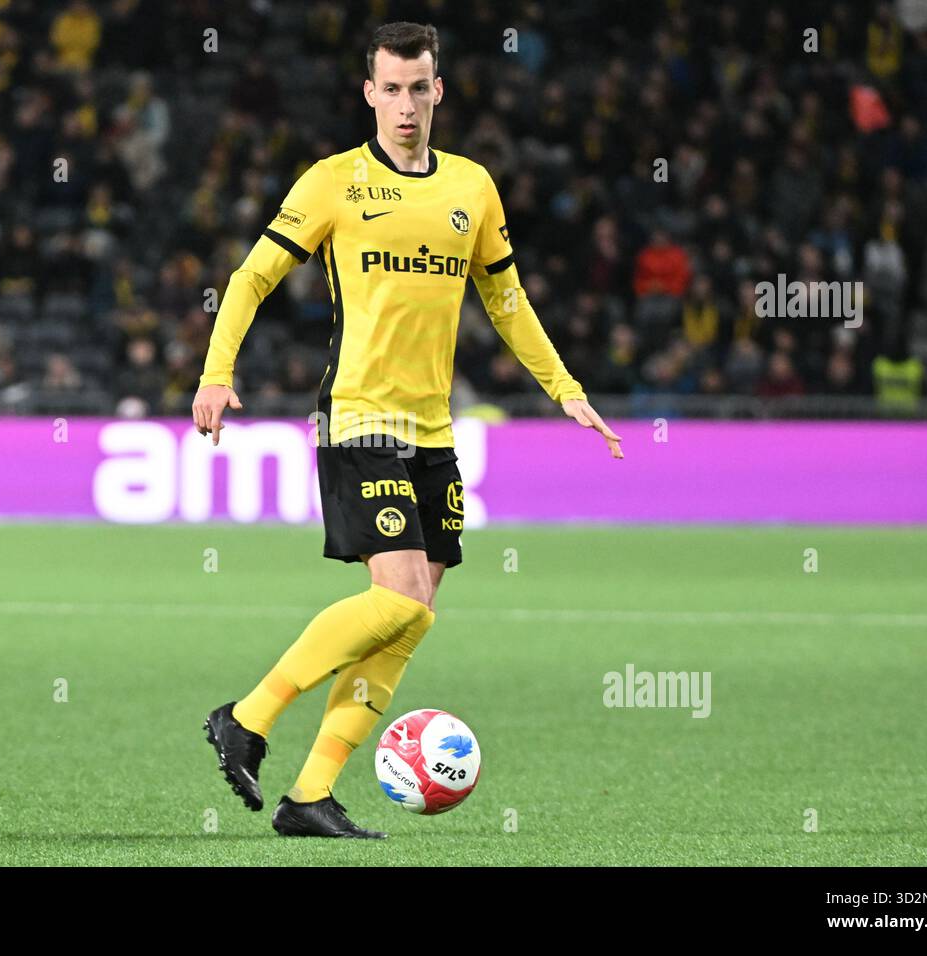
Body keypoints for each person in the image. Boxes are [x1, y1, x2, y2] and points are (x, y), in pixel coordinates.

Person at [192, 22, 622, 839]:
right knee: (401, 601)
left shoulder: (472, 188)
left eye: (417, 88)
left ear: (438, 92)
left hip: (432, 430)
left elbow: (506, 301)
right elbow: (250, 279)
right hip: (359, 415)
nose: (404, 105)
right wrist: (218, 372)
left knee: (414, 612)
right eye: (389, 88)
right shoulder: (332, 183)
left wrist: (565, 389)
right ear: (368, 93)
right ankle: (246, 717)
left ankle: (310, 796)